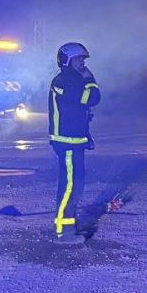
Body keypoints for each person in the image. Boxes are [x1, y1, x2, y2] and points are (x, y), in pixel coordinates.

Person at [48, 42, 100, 243]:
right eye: (79, 59)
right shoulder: (64, 80)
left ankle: (68, 224)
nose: (83, 63)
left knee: (75, 183)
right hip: (67, 141)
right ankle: (64, 230)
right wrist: (91, 80)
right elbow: (91, 97)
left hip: (74, 140)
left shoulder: (72, 78)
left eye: (83, 59)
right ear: (68, 60)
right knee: (70, 185)